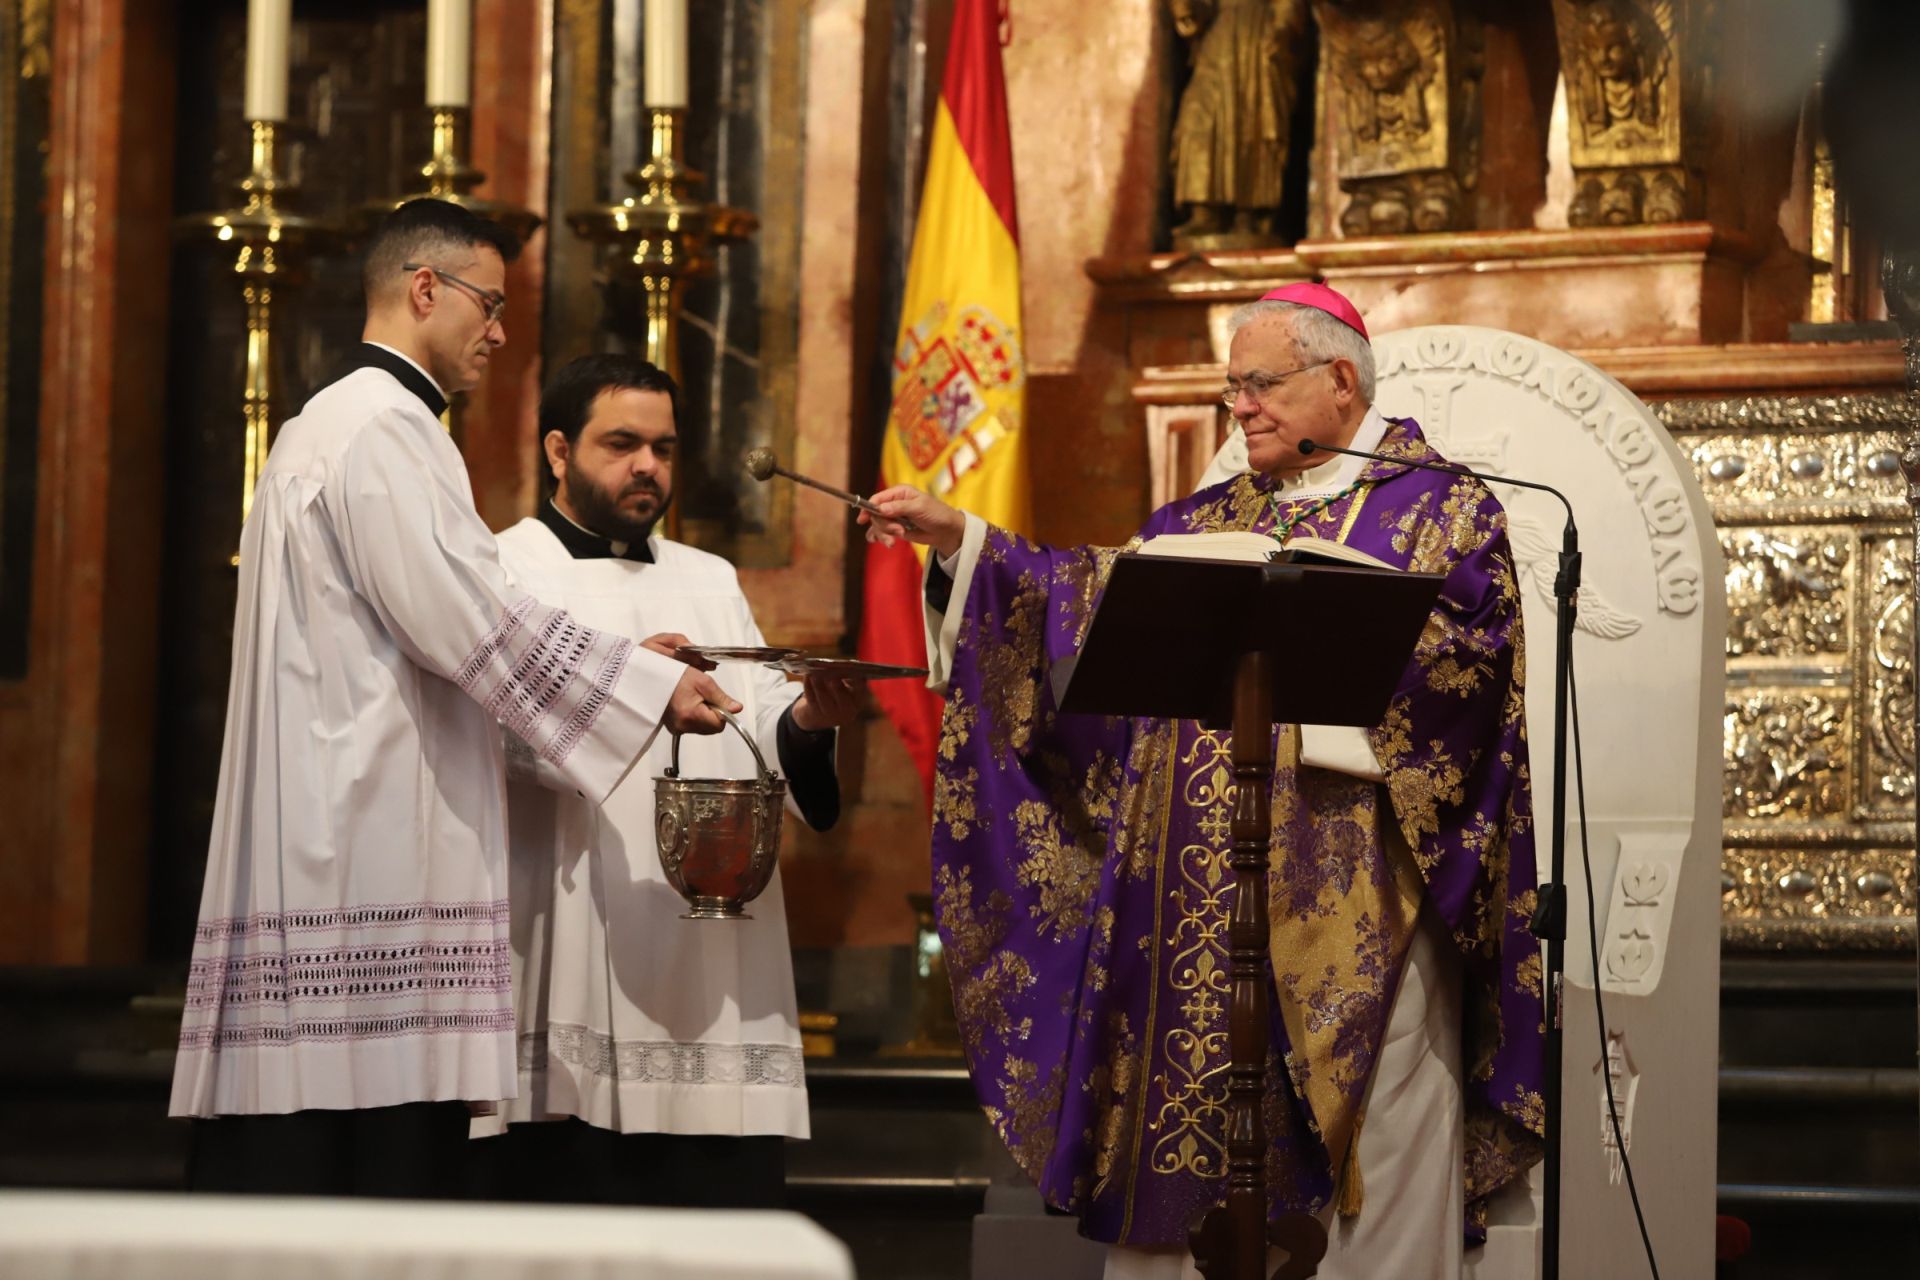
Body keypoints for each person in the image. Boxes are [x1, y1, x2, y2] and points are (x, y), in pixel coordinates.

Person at [861, 282, 1544, 1279]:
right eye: (1232, 389)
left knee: (1378, 1150)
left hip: (1367, 903)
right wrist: (964, 543)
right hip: (1192, 910)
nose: (1240, 408)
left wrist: (1322, 648)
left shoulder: (1444, 508)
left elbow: (1470, 672)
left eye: (1259, 384)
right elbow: (1082, 604)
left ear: (1339, 379)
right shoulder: (1206, 517)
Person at [170, 199, 740, 1198]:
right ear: (425, 289)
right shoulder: (386, 430)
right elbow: (473, 622)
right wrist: (645, 684)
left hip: (327, 821)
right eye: (490, 303)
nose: (500, 332)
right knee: (370, 1164)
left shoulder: (321, 426)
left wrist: (625, 672)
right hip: (367, 844)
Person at [467, 353, 862, 1207]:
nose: (648, 466)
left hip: (710, 957)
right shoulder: (502, 570)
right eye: (622, 445)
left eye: (664, 448)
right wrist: (626, 684)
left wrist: (806, 720)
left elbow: (757, 722)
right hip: (571, 922)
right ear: (559, 451)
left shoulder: (708, 578)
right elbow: (485, 740)